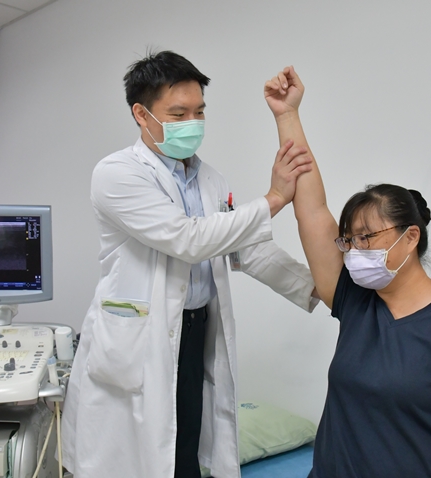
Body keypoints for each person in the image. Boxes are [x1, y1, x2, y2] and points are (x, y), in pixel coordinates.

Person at [61, 51, 319, 478]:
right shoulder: (117, 173)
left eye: (199, 112)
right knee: (130, 458)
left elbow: (244, 249)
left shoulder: (210, 179)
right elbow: (189, 240)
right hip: (139, 339)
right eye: (178, 114)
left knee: (183, 451)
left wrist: (320, 287)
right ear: (141, 114)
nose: (193, 123)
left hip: (195, 331)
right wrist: (274, 198)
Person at [263, 66, 431, 478]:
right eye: (350, 240)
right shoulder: (355, 301)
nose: (355, 251)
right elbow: (312, 210)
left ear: (410, 237)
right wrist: (287, 115)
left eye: (367, 237)